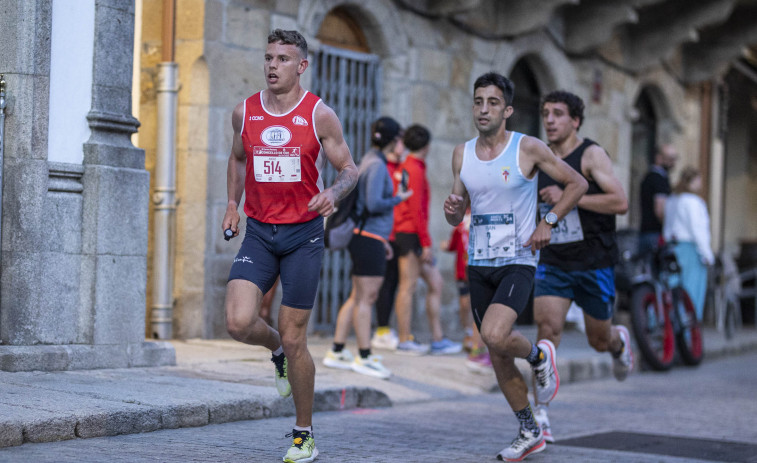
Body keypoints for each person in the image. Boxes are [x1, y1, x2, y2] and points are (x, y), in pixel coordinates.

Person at [223, 29, 358, 463]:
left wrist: (333, 194)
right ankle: (274, 349)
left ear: (301, 66)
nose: (272, 66)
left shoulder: (319, 114)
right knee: (239, 321)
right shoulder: (245, 112)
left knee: (298, 335)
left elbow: (349, 168)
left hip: (303, 235)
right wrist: (232, 204)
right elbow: (238, 158)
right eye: (268, 57)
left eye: (283, 59)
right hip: (260, 231)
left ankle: (304, 434)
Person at [444, 72, 587, 461]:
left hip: (518, 260)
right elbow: (457, 212)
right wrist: (453, 211)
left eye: (492, 102)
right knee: (497, 351)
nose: (484, 109)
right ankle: (530, 429)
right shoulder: (462, 153)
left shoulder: (528, 148)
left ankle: (539, 357)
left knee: (494, 334)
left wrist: (549, 222)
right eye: (478, 101)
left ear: (507, 110)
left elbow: (577, 184)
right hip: (479, 263)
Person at [532, 90, 634, 443]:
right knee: (547, 331)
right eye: (546, 113)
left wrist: (569, 198)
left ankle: (618, 343)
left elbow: (620, 201)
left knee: (597, 340)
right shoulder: (539, 156)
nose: (550, 120)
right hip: (554, 258)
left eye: (558, 114)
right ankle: (540, 415)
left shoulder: (590, 155)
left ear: (575, 121)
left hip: (594, 261)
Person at [322, 116, 412, 378]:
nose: (401, 146)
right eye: (400, 140)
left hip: (368, 238)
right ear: (394, 141)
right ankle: (364, 355)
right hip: (368, 237)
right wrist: (399, 198)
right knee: (366, 298)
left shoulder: (370, 161)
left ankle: (337, 350)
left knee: (356, 296)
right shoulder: (377, 166)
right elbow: (373, 204)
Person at [388, 124, 463, 356]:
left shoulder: (407, 166)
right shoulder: (415, 169)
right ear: (427, 146)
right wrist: (426, 242)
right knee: (408, 286)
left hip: (407, 233)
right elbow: (416, 209)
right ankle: (404, 339)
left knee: (435, 283)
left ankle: (437, 339)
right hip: (411, 235)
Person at [442, 208, 491, 372]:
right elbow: (453, 243)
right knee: (467, 304)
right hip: (463, 270)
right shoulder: (461, 221)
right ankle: (471, 337)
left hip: (481, 267)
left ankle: (479, 347)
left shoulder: (486, 215)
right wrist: (446, 246)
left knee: (480, 305)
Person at [663, 166, 714, 321]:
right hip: (689, 249)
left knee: (669, 289)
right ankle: (688, 334)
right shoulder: (693, 201)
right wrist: (707, 254)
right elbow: (698, 230)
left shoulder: (673, 199)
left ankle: (665, 326)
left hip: (671, 246)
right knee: (691, 293)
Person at [639, 144, 678, 256]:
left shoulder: (651, 176)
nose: (673, 163)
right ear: (659, 158)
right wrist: (669, 229)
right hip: (655, 234)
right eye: (670, 159)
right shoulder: (657, 178)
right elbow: (660, 210)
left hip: (648, 233)